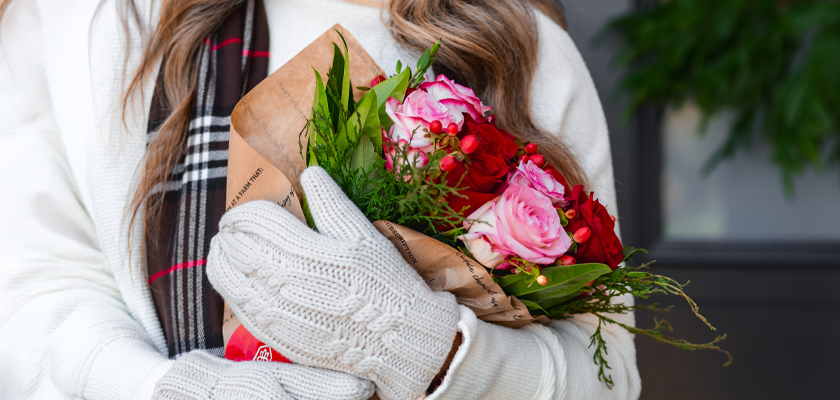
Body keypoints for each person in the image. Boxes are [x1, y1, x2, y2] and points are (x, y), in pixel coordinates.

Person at [0, 0, 641, 399]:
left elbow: (605, 375)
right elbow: (35, 292)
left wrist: (439, 352)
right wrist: (167, 391)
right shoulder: (84, 21)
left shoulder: (523, 50)